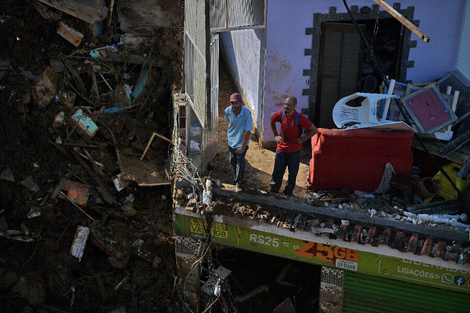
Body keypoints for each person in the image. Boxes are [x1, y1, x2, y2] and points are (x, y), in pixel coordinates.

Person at [270, 96, 318, 195]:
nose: (286, 107)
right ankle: (273, 191)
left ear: (295, 106)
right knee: (277, 172)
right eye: (285, 104)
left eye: (289, 105)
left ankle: (288, 193)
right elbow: (272, 120)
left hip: (294, 151)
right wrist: (275, 135)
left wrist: (303, 139)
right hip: (281, 150)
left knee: (292, 174)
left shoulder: (299, 118)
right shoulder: (281, 114)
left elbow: (314, 130)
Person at [225, 93, 252, 192]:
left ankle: (239, 182)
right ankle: (236, 176)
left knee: (240, 159)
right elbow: (227, 119)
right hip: (232, 140)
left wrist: (243, 147)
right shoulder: (228, 111)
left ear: (241, 102)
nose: (234, 105)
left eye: (236, 103)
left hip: (242, 141)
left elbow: (247, 131)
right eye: (232, 103)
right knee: (232, 160)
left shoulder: (246, 113)